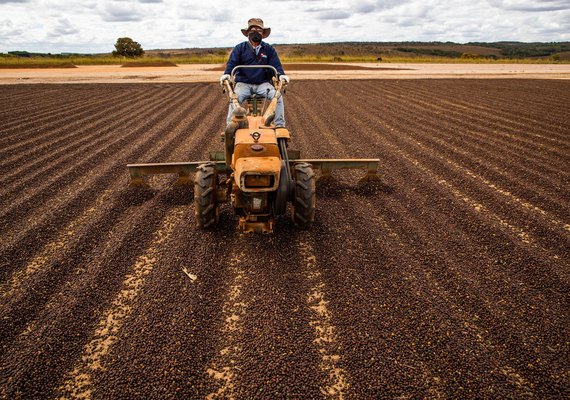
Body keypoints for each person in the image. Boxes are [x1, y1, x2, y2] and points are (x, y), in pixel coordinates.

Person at [220, 18, 289, 127]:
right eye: (253, 29)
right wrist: (227, 74)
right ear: (248, 33)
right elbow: (232, 63)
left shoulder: (269, 49)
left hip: (263, 84)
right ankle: (231, 127)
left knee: (278, 97)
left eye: (259, 29)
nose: (256, 32)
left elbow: (276, 65)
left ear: (263, 33)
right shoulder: (240, 48)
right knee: (234, 100)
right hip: (243, 83)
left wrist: (281, 75)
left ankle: (280, 126)